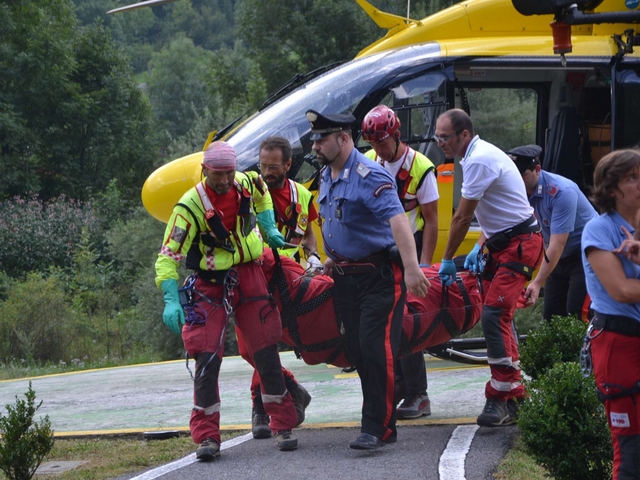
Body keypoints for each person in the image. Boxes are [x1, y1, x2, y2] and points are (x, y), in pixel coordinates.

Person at [155, 141, 299, 460]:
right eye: (217, 174)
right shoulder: (189, 207)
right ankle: (207, 437)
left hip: (248, 271)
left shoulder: (246, 182)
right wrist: (170, 299)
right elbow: (167, 258)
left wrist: (269, 227)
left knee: (264, 348)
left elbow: (262, 194)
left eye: (228, 173)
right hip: (209, 282)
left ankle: (284, 423)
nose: (224, 181)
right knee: (207, 357)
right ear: (204, 170)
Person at [306, 109, 430, 450]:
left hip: (378, 277)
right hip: (346, 278)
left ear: (344, 139)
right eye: (315, 139)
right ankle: (380, 417)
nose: (315, 146)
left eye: (322, 139)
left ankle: (378, 427)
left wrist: (412, 267)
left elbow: (398, 222)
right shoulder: (328, 174)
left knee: (376, 349)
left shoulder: (370, 175)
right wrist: (333, 257)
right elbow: (346, 223)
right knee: (359, 351)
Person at [434, 109, 543, 428]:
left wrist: (448, 256)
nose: (440, 142)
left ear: (463, 135)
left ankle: (498, 395)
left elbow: (462, 217)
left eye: (445, 137)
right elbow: (497, 208)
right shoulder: (473, 156)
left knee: (494, 315)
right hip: (506, 241)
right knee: (500, 317)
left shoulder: (478, 159)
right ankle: (516, 395)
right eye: (438, 137)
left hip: (519, 244)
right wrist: (480, 246)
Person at [362, 105, 439, 419]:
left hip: (410, 249)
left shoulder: (421, 168)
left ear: (396, 135)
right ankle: (396, 390)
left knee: (407, 320)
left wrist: (423, 265)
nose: (379, 148)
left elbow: (432, 221)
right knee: (383, 323)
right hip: (378, 251)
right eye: (374, 143)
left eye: (383, 141)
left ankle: (418, 394)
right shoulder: (368, 162)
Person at [241, 135, 317, 440]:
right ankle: (287, 389)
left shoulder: (302, 196)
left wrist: (312, 256)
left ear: (288, 164)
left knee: (266, 345)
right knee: (251, 346)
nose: (267, 172)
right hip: (253, 276)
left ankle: (262, 405)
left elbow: (309, 236)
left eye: (274, 167)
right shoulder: (246, 193)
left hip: (288, 281)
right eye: (262, 166)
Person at [581, 149, 640, 480]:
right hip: (620, 344)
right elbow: (621, 290)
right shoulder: (599, 230)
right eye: (633, 178)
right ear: (612, 190)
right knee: (631, 453)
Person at [507, 144, 597, 321]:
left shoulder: (561, 191)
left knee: (576, 313)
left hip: (586, 253)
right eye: (513, 174)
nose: (517, 179)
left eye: (522, 174)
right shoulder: (517, 190)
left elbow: (558, 242)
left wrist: (538, 281)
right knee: (551, 315)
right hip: (559, 256)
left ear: (537, 170)